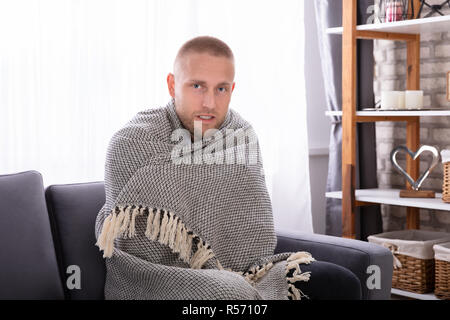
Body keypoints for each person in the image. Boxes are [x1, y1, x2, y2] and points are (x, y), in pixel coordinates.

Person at [95, 35, 361, 300]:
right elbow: (136, 245)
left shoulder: (240, 136)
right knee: (231, 292)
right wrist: (214, 273)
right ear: (172, 84)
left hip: (249, 273)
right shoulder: (132, 142)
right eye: (197, 86)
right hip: (155, 278)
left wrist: (229, 272)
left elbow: (256, 232)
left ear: (232, 89)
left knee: (340, 282)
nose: (209, 103)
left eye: (221, 89)